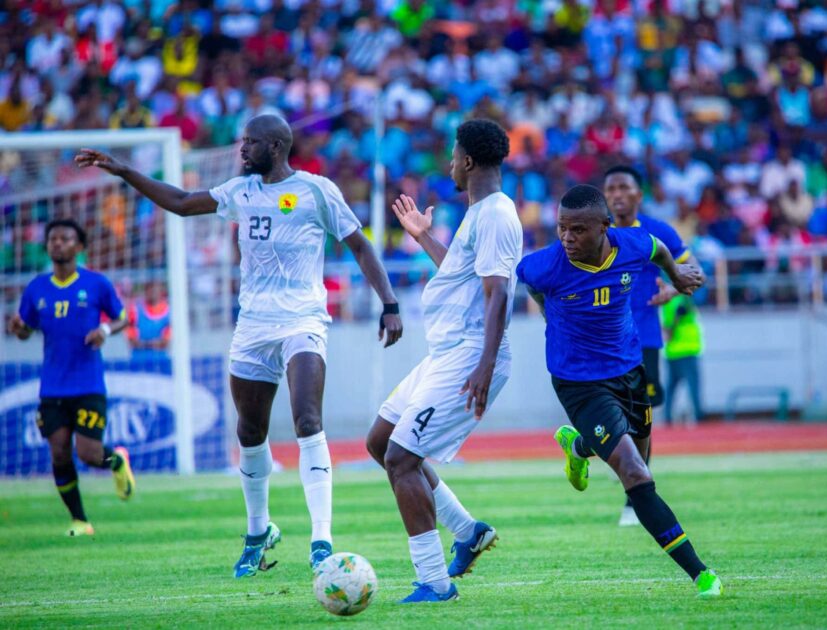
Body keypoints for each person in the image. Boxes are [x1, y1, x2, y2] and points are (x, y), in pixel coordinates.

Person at [75, 114, 404, 578]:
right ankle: (257, 532)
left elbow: (361, 247)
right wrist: (125, 170)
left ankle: (321, 541)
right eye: (242, 141)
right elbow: (182, 202)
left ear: (276, 146)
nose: (242, 149)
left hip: (303, 320)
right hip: (252, 326)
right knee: (250, 431)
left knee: (308, 420)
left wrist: (389, 303)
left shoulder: (316, 191)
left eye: (250, 142)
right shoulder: (239, 192)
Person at [516, 185, 721, 597]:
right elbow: (528, 285)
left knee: (637, 456)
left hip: (630, 371)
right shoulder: (543, 265)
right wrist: (551, 314)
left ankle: (578, 447)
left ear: (605, 227)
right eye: (561, 228)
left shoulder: (631, 244)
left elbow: (658, 249)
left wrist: (676, 275)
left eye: (577, 230)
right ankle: (701, 575)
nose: (567, 238)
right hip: (578, 382)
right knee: (636, 472)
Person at [365, 119, 522, 603]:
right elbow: (462, 275)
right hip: (448, 353)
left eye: (454, 157)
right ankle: (469, 532)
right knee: (381, 442)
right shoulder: (479, 213)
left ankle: (433, 582)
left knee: (401, 459)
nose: (450, 164)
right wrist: (421, 236)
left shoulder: (496, 214)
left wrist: (484, 365)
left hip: (470, 355)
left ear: (468, 161)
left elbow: (498, 295)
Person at [7, 218, 136, 537]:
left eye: (65, 239)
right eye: (53, 238)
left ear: (79, 246)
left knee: (88, 454)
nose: (58, 243)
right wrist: (18, 328)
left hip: (88, 383)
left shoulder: (96, 283)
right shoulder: (36, 288)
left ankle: (116, 461)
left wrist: (104, 330)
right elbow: (25, 330)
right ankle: (79, 520)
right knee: (59, 452)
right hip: (52, 386)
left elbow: (122, 318)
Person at [602, 165, 700, 527]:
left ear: (638, 195)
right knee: (610, 414)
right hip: (602, 341)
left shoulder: (658, 232)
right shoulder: (596, 233)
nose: (617, 194)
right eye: (611, 188)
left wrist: (673, 289)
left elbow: (697, 272)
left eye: (623, 187)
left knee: (638, 419)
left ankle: (635, 497)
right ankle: (618, 465)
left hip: (644, 338)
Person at [662, 294, 704, 423]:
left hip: (672, 351)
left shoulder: (666, 302)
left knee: (671, 387)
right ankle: (698, 416)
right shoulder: (684, 299)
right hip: (687, 350)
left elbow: (665, 326)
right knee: (693, 386)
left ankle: (667, 417)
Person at [126, 280, 170, 366]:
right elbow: (132, 342)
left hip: (161, 363)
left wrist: (143, 343)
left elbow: (165, 343)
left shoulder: (168, 312)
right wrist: (154, 343)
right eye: (149, 288)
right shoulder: (134, 311)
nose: (152, 291)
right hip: (138, 363)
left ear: (161, 290)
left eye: (155, 288)